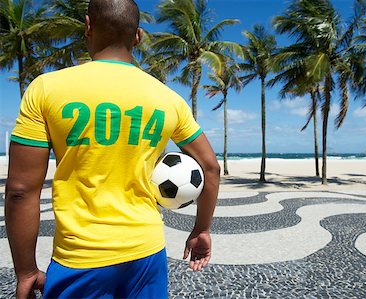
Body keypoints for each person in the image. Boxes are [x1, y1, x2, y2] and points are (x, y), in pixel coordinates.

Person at [5, 0, 220, 298]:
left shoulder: (46, 89)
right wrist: (201, 230)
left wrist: (26, 270)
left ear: (88, 27)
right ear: (138, 37)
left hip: (80, 257)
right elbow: (210, 167)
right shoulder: (168, 98)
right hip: (147, 253)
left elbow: (20, 189)